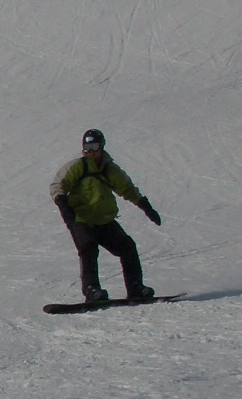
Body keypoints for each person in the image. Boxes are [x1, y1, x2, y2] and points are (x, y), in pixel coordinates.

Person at [49, 129, 162, 304]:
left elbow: (127, 189)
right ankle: (92, 290)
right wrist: (64, 207)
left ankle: (135, 288)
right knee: (88, 248)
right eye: (87, 148)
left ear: (102, 146)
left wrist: (146, 207)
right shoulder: (78, 167)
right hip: (81, 220)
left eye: (94, 147)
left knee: (127, 247)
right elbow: (58, 185)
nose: (90, 152)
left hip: (104, 221)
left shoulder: (110, 169)